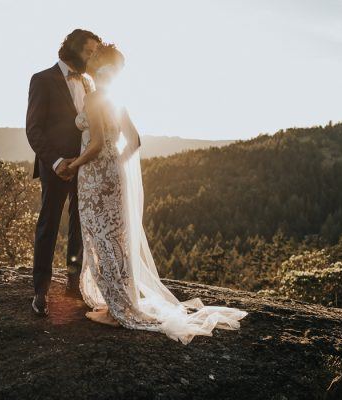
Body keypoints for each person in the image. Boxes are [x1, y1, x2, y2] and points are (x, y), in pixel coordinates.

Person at [65, 43, 249, 345]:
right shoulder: (116, 100)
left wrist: (75, 165)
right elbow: (134, 140)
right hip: (113, 176)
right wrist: (118, 168)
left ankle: (117, 310)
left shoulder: (97, 97)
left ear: (99, 68)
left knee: (101, 238)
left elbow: (96, 143)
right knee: (117, 239)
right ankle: (121, 301)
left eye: (93, 58)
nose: (89, 60)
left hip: (95, 178)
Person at [25, 29, 101, 316]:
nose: (91, 57)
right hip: (55, 166)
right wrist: (57, 162)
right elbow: (33, 129)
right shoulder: (42, 79)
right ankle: (40, 291)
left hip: (85, 165)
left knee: (80, 225)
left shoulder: (88, 82)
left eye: (94, 53)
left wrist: (85, 160)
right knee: (48, 225)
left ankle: (74, 284)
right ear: (72, 47)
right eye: (88, 51)